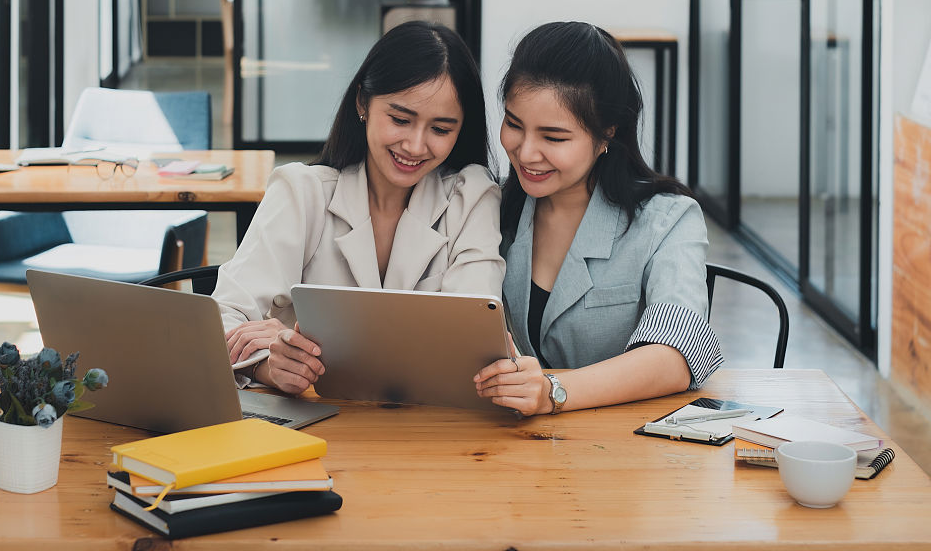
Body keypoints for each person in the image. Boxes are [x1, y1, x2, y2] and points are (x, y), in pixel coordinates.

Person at [214, 21, 505, 394]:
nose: (416, 146)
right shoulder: (302, 192)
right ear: (362, 103)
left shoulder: (472, 197)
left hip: (430, 429)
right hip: (313, 424)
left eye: (441, 129)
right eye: (400, 119)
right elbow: (222, 319)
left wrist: (290, 336)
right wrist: (270, 366)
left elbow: (472, 343)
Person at [475, 21, 721, 416]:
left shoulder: (667, 219)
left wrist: (552, 392)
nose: (525, 152)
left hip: (622, 451)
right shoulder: (490, 206)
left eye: (554, 138)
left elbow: (675, 356)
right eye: (514, 124)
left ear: (607, 133)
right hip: (504, 449)